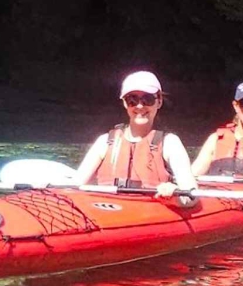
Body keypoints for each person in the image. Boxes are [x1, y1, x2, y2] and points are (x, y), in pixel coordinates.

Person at [74, 71, 198, 200]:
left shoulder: (171, 143)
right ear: (124, 103)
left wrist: (175, 194)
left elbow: (191, 196)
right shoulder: (104, 142)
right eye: (132, 100)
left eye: (147, 99)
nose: (139, 106)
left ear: (159, 101)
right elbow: (73, 187)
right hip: (105, 211)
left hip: (153, 214)